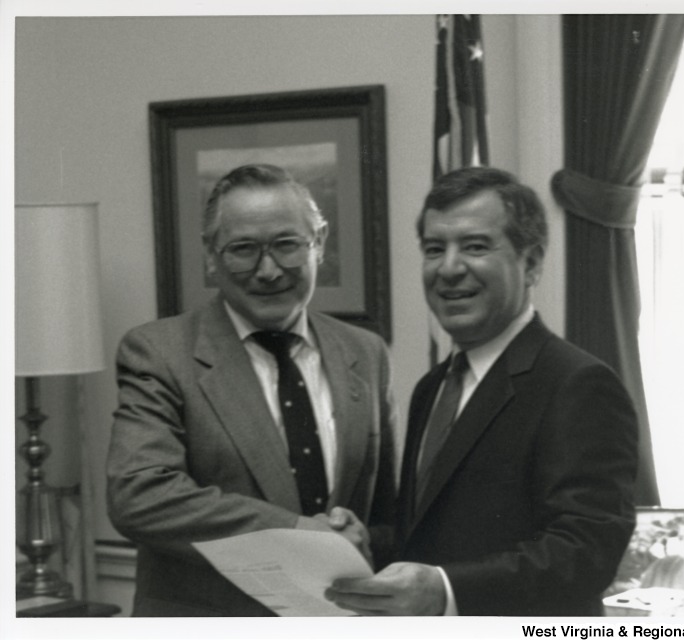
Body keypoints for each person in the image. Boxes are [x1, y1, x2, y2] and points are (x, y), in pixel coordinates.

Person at [325, 166, 639, 616]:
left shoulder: (578, 384)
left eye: (474, 246)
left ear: (530, 263)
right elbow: (431, 533)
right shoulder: (431, 388)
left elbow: (585, 554)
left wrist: (447, 591)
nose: (449, 269)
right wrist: (365, 540)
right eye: (435, 249)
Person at [107, 163, 396, 616]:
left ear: (318, 243)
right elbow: (139, 496)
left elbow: (385, 512)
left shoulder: (366, 353)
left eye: (286, 245)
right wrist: (297, 532)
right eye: (243, 249)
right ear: (210, 255)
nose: (268, 270)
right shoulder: (158, 352)